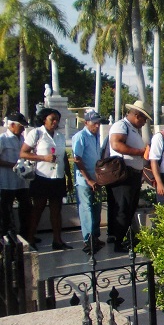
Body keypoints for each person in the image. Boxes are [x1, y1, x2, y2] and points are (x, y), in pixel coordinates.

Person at [20, 108, 71, 250]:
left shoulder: (60, 136)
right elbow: (23, 153)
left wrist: (69, 177)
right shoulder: (36, 133)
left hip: (57, 177)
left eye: (57, 120)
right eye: (52, 119)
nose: (55, 122)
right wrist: (43, 158)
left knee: (56, 210)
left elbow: (64, 158)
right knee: (38, 209)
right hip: (42, 176)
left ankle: (57, 240)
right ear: (44, 119)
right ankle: (30, 239)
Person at [107, 100, 151, 253]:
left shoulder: (132, 129)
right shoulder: (121, 126)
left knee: (129, 207)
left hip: (133, 174)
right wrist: (140, 152)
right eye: (144, 119)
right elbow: (116, 145)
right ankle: (119, 241)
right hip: (124, 174)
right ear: (137, 116)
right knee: (122, 208)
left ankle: (123, 237)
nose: (144, 123)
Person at [72, 109, 107, 252]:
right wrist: (88, 179)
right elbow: (77, 159)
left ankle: (95, 236)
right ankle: (88, 240)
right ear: (86, 123)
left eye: (98, 123)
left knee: (96, 208)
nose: (97, 125)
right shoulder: (80, 136)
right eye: (94, 123)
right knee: (86, 209)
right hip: (84, 181)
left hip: (96, 179)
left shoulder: (96, 136)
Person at [0, 112, 32, 238]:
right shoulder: (3, 139)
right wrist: (12, 165)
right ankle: (6, 236)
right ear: (12, 125)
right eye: (21, 126)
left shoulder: (22, 139)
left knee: (26, 208)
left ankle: (26, 235)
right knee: (5, 211)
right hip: (7, 182)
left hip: (21, 181)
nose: (23, 128)